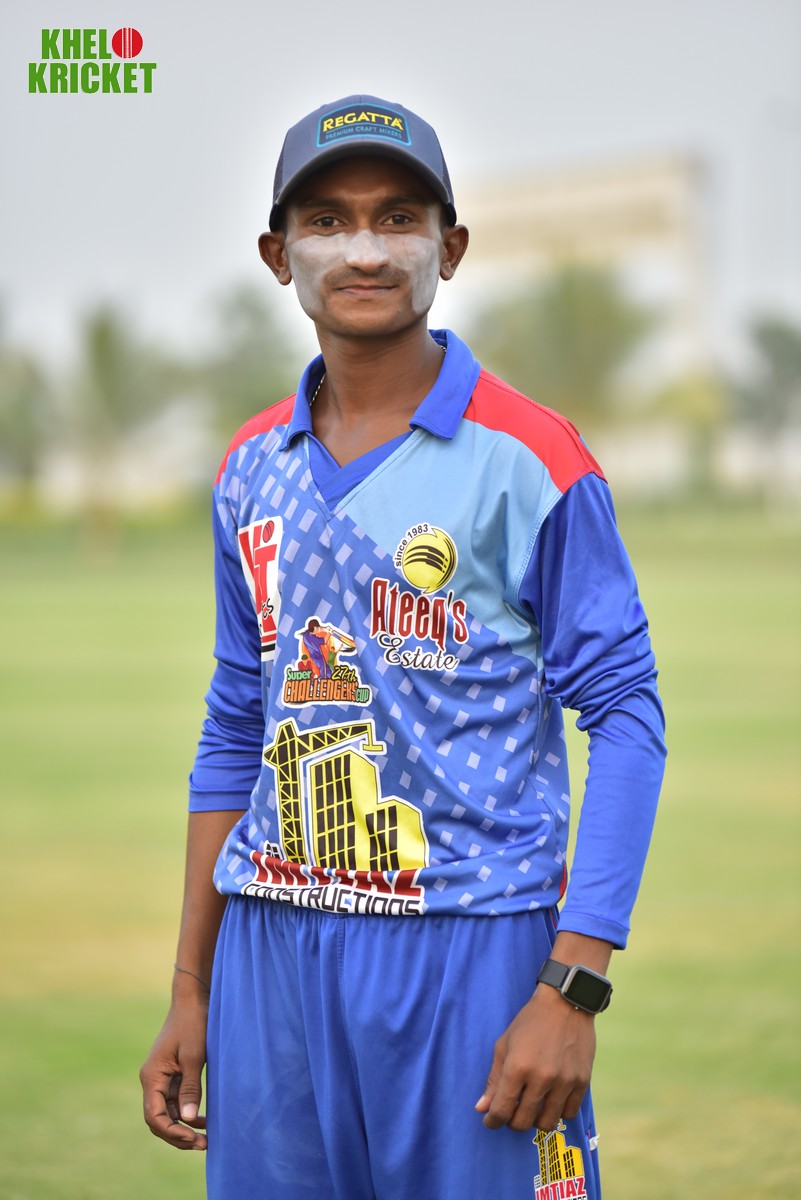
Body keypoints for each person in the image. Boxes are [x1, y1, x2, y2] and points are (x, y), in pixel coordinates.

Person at [140, 94, 666, 1200]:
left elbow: (625, 715)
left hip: (472, 944)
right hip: (271, 952)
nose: (365, 250)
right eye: (327, 221)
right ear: (279, 256)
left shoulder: (531, 458)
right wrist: (193, 983)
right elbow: (236, 724)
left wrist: (572, 986)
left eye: (398, 218)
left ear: (449, 247)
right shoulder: (250, 465)